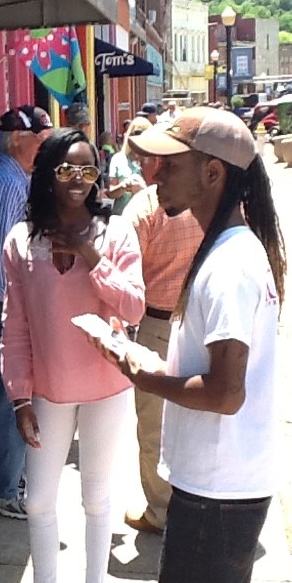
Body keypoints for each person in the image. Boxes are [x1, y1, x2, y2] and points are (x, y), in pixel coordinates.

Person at [92, 107, 287, 583]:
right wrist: (145, 360)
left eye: (170, 164)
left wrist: (143, 375)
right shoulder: (229, 250)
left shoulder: (229, 263)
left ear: (213, 173)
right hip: (227, 483)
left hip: (218, 490)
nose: (154, 175)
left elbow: (225, 393)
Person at [0, 128, 145, 583]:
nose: (79, 180)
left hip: (106, 388)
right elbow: (15, 325)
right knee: (37, 500)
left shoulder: (115, 233)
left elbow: (134, 307)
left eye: (88, 170)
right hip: (48, 392)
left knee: (97, 502)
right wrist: (19, 397)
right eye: (67, 169)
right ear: (47, 174)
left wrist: (89, 254)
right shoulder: (20, 241)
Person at [0, 104, 53, 519]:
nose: (44, 146)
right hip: (3, 301)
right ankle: (0, 488)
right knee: (9, 393)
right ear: (18, 139)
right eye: (40, 138)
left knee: (10, 392)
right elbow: (0, 260)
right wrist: (19, 311)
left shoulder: (9, 177)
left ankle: (5, 478)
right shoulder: (6, 182)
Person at [120, 158, 203, 535]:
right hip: (204, 323)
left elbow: (124, 272)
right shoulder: (210, 199)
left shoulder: (144, 208)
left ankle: (161, 511)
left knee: (155, 427)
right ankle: (198, 506)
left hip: (157, 326)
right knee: (200, 419)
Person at [106, 117, 151, 215]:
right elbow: (110, 193)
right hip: (122, 216)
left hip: (147, 217)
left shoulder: (155, 160)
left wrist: (143, 189)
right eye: (135, 135)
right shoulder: (118, 159)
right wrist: (124, 186)